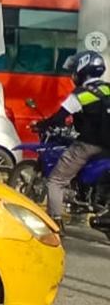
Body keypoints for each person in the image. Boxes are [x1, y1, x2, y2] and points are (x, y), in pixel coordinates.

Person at [38, 50, 110, 224]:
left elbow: (59, 117)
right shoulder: (108, 89)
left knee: (55, 181)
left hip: (89, 145)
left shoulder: (80, 94)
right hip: (107, 146)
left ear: (82, 70)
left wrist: (42, 124)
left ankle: (55, 222)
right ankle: (85, 194)